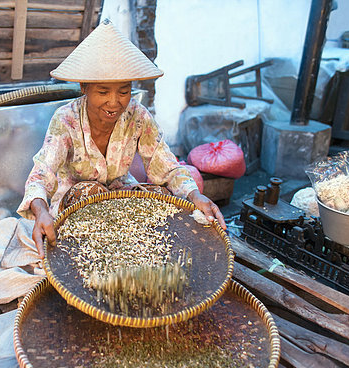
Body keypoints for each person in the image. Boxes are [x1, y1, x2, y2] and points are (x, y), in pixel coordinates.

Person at [17, 19, 226, 258]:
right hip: (77, 199)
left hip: (118, 195)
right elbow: (41, 173)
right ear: (84, 87)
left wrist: (194, 195)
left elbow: (167, 168)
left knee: (165, 198)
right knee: (90, 191)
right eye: (103, 92)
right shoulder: (66, 119)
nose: (115, 102)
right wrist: (40, 209)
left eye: (124, 91)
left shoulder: (137, 116)